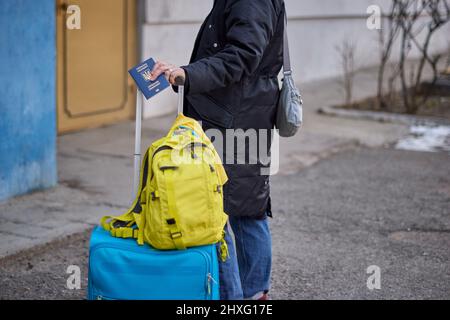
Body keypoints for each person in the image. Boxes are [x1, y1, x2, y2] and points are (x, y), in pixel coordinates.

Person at [149, 0, 285, 300]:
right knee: (243, 207)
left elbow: (242, 56)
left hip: (237, 119)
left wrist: (188, 74)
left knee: (219, 210)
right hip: (240, 113)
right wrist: (184, 73)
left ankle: (238, 298)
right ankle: (251, 294)